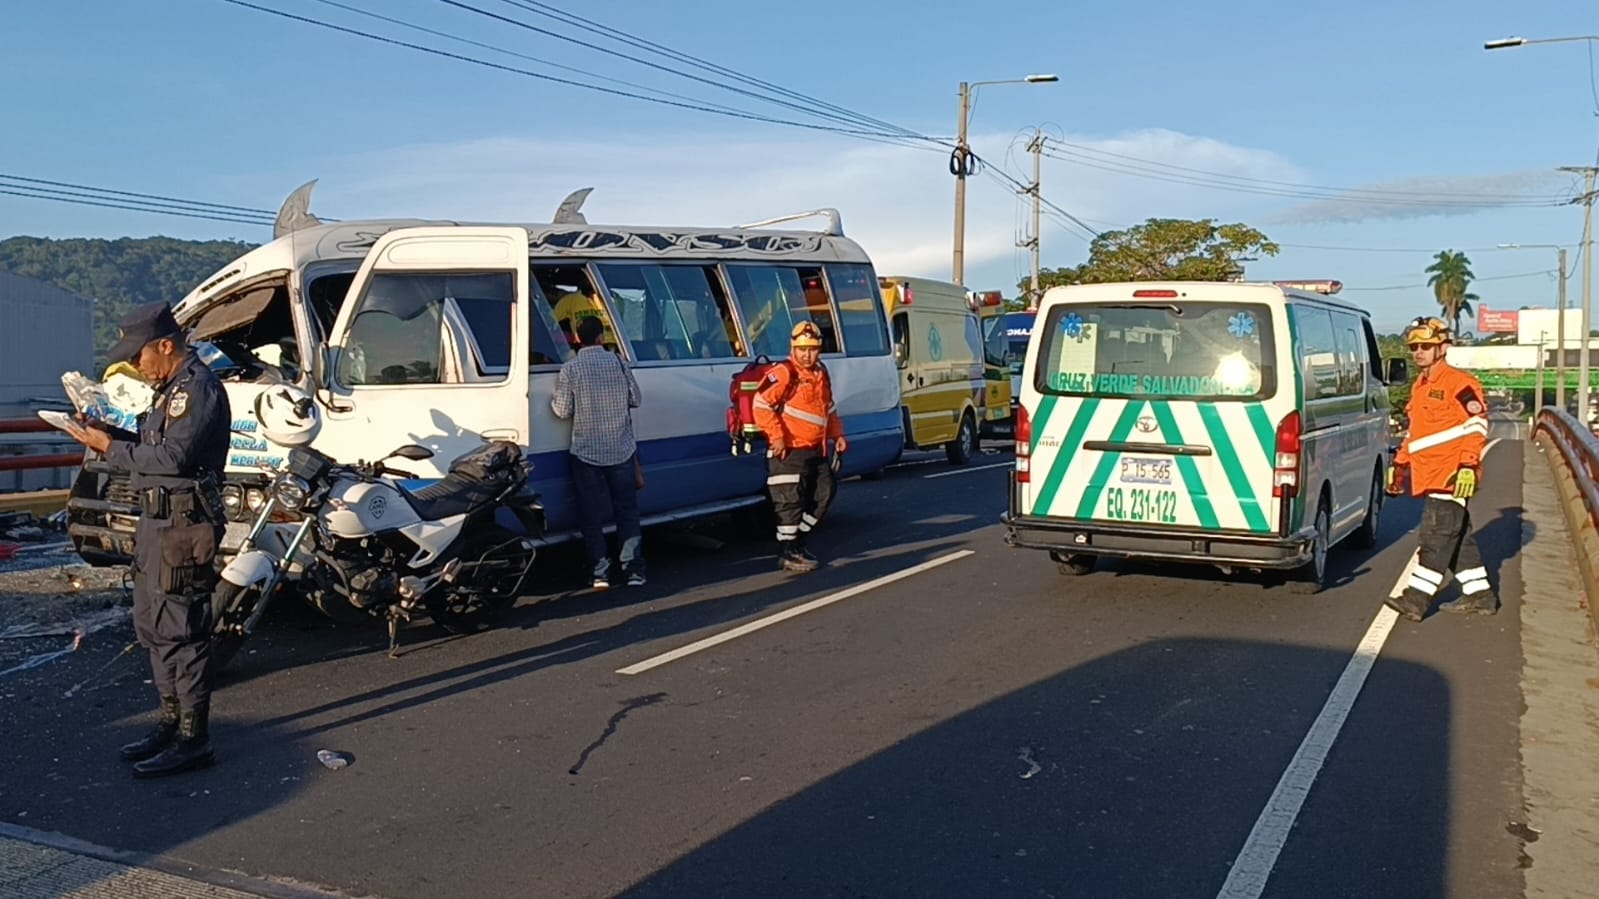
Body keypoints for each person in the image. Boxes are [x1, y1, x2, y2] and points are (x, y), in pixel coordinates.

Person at [62, 301, 231, 777]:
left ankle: (194, 740)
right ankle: (171, 724)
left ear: (164, 345)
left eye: (139, 356)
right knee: (153, 627)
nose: (137, 365)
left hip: (184, 524)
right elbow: (148, 445)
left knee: (183, 633)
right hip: (157, 524)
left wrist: (108, 449)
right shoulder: (166, 391)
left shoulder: (197, 389)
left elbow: (173, 459)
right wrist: (106, 432)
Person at [1384, 316, 1497, 622]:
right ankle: (1480, 596)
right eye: (1414, 346)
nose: (1418, 351)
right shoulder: (1420, 387)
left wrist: (1466, 465)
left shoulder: (1460, 383)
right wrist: (1400, 464)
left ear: (1443, 347)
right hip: (1430, 475)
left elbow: (1476, 426)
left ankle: (1415, 600)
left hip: (1452, 475)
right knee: (1457, 538)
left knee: (1435, 537)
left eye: (1426, 346)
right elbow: (1416, 434)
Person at [551, 314, 645, 589]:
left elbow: (562, 410)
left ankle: (600, 572)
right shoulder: (618, 362)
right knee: (626, 510)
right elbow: (636, 399)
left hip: (586, 451)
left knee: (590, 514)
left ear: (578, 339)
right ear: (602, 338)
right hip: (621, 449)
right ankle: (634, 570)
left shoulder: (571, 368)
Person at [755, 321, 847, 573]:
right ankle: (788, 552)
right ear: (793, 348)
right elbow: (760, 405)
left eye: (813, 349)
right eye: (802, 349)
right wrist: (777, 436)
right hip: (789, 451)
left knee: (824, 493)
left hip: (816, 449)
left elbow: (828, 408)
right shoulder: (784, 372)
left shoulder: (820, 373)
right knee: (789, 503)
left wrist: (837, 434)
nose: (807, 354)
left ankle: (798, 542)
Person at [551, 283, 619, 350]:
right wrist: (569, 338)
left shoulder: (615, 300)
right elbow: (548, 322)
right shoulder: (571, 300)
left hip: (615, 346)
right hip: (582, 347)